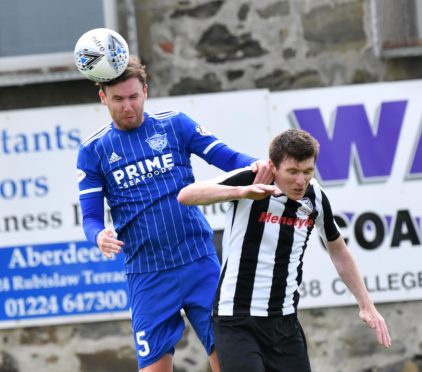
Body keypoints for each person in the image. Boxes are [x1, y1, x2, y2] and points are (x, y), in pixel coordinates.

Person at [76, 55, 272, 372]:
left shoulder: (174, 124)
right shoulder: (94, 150)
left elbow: (229, 158)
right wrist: (98, 235)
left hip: (198, 262)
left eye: (133, 97)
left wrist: (259, 165)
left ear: (146, 92)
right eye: (118, 99)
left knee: (230, 362)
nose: (128, 106)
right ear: (103, 98)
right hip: (147, 274)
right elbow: (91, 217)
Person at [177, 128, 392, 372]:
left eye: (307, 171)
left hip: (284, 321)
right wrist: (242, 192)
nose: (301, 180)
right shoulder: (252, 178)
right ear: (274, 167)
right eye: (292, 171)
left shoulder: (315, 197)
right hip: (236, 319)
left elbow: (338, 250)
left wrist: (366, 304)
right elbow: (187, 195)